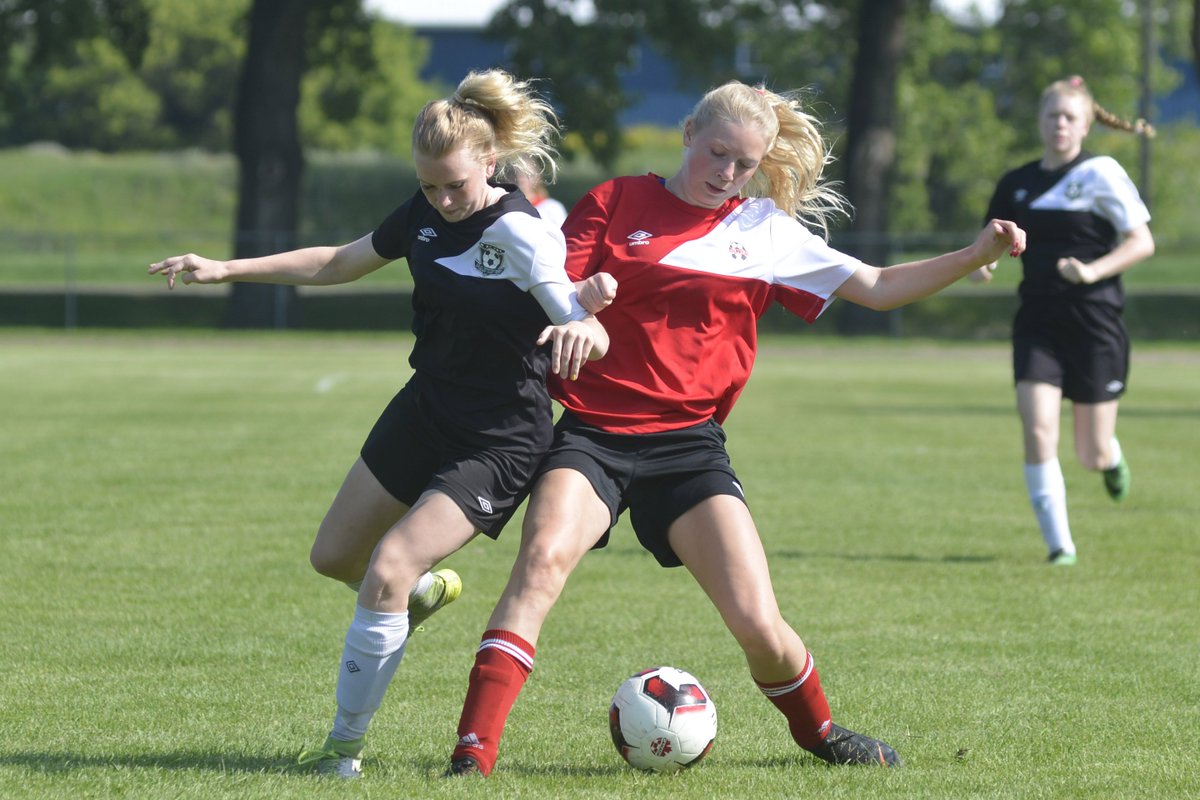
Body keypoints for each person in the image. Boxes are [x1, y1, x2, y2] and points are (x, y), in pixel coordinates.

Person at [443, 80, 1027, 777]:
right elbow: (556, 293)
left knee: (757, 622)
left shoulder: (763, 231)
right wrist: (582, 310)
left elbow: (877, 287)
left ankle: (819, 732)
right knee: (539, 565)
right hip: (593, 434)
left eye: (745, 164)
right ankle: (472, 755)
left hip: (688, 446)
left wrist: (972, 254)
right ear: (689, 132)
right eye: (718, 152)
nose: (727, 172)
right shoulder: (615, 201)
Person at [148, 69, 612, 779]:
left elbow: (585, 325)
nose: (443, 200)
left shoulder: (523, 234)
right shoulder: (422, 212)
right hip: (425, 408)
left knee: (389, 564)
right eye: (429, 186)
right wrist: (225, 268)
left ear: (490, 162)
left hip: (498, 438)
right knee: (335, 557)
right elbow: (339, 261)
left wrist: (585, 327)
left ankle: (342, 749)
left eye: (455, 185)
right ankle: (416, 598)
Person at [972, 76, 1155, 566]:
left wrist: (1091, 271)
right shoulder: (1016, 183)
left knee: (1091, 453)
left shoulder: (1102, 173)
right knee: (1038, 430)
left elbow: (1142, 242)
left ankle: (1110, 459)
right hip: (1038, 322)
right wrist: (981, 264)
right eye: (1053, 115)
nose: (1060, 124)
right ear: (1040, 120)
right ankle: (1060, 547)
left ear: (1086, 124)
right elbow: (987, 242)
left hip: (1095, 323)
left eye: (1070, 117)